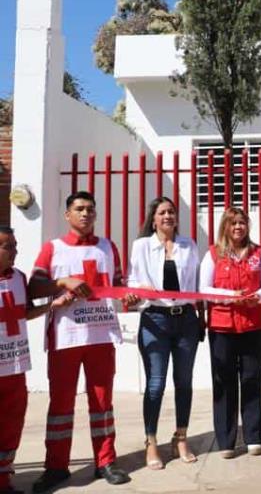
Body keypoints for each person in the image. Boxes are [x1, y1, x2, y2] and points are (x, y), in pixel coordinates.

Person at [30, 192, 139, 492]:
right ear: (67, 215)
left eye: (90, 209)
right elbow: (33, 287)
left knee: (102, 403)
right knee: (61, 405)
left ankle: (105, 461)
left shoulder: (108, 246)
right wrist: (62, 283)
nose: (85, 214)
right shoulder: (52, 249)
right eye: (79, 209)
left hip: (100, 335)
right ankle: (55, 467)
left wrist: (126, 295)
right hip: (65, 337)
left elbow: (116, 285)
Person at [127, 197, 202, 470]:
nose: (168, 216)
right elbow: (132, 279)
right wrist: (139, 290)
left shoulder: (189, 245)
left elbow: (198, 282)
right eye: (162, 212)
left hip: (185, 320)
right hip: (155, 319)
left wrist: (201, 315)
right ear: (154, 218)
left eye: (171, 211)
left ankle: (181, 437)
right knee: (156, 384)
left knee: (184, 382)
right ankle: (151, 441)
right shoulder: (142, 246)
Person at [200, 208, 261, 458]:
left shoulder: (258, 253)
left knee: (252, 378)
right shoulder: (213, 254)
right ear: (225, 226)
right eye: (233, 223)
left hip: (254, 324)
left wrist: (259, 296)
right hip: (223, 326)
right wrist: (231, 296)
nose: (238, 227)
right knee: (224, 381)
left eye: (242, 222)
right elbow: (204, 289)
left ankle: (253, 435)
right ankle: (226, 440)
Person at [0, 227, 69, 494]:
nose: (15, 251)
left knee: (11, 426)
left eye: (15, 245)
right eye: (9, 247)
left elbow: (24, 312)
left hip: (15, 367)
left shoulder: (18, 278)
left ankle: (4, 481)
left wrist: (52, 306)